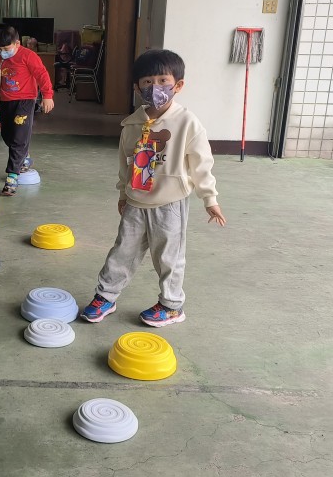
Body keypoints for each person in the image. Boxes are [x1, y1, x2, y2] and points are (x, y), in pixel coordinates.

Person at [81, 49, 226, 328]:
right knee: (122, 252)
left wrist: (210, 198)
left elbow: (201, 163)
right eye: (147, 82)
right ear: (137, 88)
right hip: (136, 201)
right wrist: (123, 193)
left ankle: (172, 306)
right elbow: (125, 162)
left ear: (178, 85)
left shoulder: (187, 122)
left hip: (170, 203)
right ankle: (106, 296)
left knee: (169, 257)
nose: (155, 87)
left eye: (162, 81)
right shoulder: (131, 124)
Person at [0, 24, 54, 196]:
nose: (2, 52)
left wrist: (47, 95)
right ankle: (24, 156)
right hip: (6, 101)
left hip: (25, 101)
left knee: (18, 138)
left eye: (6, 49)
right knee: (7, 135)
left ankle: (12, 177)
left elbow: (42, 75)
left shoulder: (28, 56)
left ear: (17, 43)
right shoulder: (0, 58)